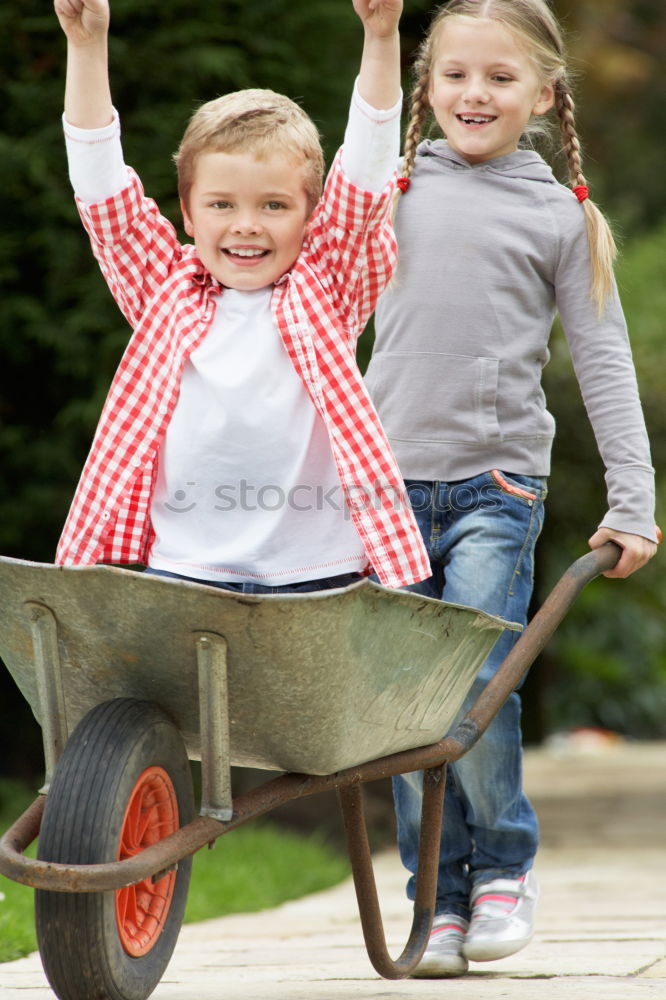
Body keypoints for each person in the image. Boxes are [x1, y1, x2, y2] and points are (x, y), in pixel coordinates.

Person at [364, 0, 659, 978]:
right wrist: (376, 35)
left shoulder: (557, 216)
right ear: (427, 85)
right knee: (408, 700)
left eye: (499, 78)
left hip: (497, 485)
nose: (474, 94)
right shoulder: (386, 192)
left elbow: (605, 362)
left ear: (543, 94)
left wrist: (634, 501)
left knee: (477, 683)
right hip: (388, 485)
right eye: (455, 75)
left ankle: (504, 868)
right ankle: (435, 897)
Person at [52, 0, 430, 593]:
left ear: (311, 216)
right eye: (222, 204)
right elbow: (103, 197)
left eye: (274, 206)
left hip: (315, 574)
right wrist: (85, 47)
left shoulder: (324, 286)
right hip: (183, 567)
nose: (247, 225)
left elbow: (366, 179)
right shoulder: (166, 291)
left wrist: (381, 39)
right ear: (188, 214)